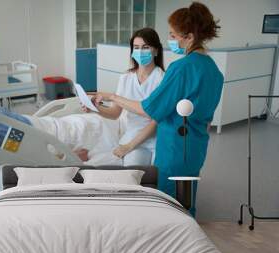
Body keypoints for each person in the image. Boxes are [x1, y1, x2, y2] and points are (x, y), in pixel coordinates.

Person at [92, 2, 223, 216]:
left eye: (173, 34)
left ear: (189, 37)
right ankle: (188, 232)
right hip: (197, 143)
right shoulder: (213, 70)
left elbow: (150, 109)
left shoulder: (180, 68)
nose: (170, 39)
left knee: (168, 201)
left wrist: (112, 96)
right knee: (187, 195)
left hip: (175, 144)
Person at [84, 27, 165, 166]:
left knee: (134, 172)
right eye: (136, 47)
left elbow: (156, 121)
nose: (140, 51)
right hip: (131, 137)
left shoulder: (163, 79)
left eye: (145, 47)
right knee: (97, 166)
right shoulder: (126, 78)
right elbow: (115, 113)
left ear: (156, 50)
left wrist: (129, 147)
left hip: (152, 140)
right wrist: (94, 108)